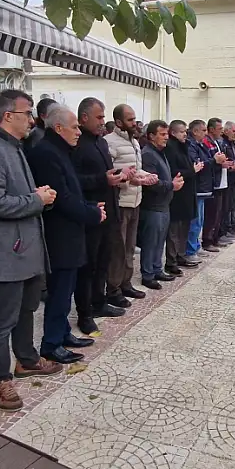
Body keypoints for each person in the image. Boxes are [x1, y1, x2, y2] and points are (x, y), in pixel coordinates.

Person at [0, 90, 61, 411]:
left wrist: (36, 194)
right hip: (6, 253)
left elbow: (13, 192)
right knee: (3, 320)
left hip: (27, 248)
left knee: (26, 311)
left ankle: (26, 360)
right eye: (27, 113)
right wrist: (36, 200)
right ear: (8, 115)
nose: (32, 119)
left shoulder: (14, 147)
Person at [26, 104, 106, 364]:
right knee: (60, 290)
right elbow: (61, 198)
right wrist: (91, 214)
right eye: (74, 127)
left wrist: (91, 207)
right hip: (59, 233)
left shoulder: (60, 150)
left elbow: (73, 189)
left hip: (70, 231)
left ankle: (62, 333)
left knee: (67, 288)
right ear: (58, 127)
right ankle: (51, 343)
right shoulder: (46, 153)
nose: (78, 132)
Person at [71, 98, 128, 334]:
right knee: (88, 266)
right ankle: (85, 313)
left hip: (109, 210)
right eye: (99, 117)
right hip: (91, 212)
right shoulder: (77, 144)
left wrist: (120, 175)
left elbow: (104, 173)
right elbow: (74, 181)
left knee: (104, 260)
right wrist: (102, 180)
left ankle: (99, 301)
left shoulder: (101, 143)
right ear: (84, 118)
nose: (103, 122)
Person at [105, 104, 155, 302]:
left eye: (135, 119)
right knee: (117, 249)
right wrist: (127, 179)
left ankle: (126, 283)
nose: (135, 123)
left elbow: (135, 170)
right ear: (118, 122)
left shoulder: (134, 142)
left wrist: (148, 176)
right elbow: (109, 174)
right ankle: (113, 289)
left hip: (136, 200)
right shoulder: (109, 142)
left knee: (129, 247)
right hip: (120, 203)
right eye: (130, 120)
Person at [138, 120, 183, 290]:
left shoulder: (160, 152)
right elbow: (152, 183)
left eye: (166, 134)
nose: (166, 138)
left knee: (160, 240)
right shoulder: (148, 154)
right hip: (153, 206)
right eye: (162, 134)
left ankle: (157, 268)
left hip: (164, 205)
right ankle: (148, 274)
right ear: (151, 136)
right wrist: (172, 185)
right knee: (151, 241)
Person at [164, 120, 201, 275]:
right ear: (173, 133)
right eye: (181, 132)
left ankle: (180, 255)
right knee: (174, 230)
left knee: (184, 227)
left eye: (185, 131)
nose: (185, 134)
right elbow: (175, 172)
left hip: (187, 192)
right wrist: (192, 170)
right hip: (177, 194)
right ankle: (171, 261)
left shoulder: (183, 146)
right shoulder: (171, 148)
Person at [185, 120, 214, 262]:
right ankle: (190, 250)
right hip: (196, 187)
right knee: (194, 222)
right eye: (203, 130)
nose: (205, 133)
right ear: (195, 131)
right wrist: (214, 160)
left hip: (203, 188)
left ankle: (195, 246)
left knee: (200, 221)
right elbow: (198, 164)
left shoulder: (200, 145)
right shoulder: (191, 145)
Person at [201, 118, 229, 251]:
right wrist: (218, 163)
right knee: (211, 214)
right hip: (214, 182)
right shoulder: (207, 142)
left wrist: (226, 163)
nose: (221, 131)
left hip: (221, 180)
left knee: (218, 213)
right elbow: (209, 162)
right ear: (211, 129)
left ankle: (215, 237)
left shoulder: (217, 142)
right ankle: (207, 240)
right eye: (219, 128)